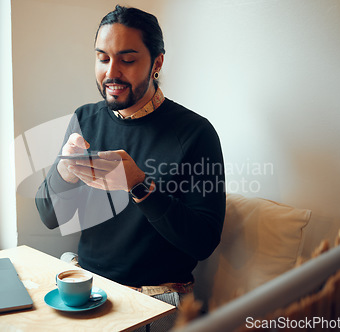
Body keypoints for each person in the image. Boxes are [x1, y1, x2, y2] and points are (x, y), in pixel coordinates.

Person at [36, 5, 225, 328]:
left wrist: (139, 185)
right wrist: (62, 174)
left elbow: (203, 242)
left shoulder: (195, 133)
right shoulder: (86, 118)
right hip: (87, 290)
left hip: (158, 298)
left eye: (127, 59)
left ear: (157, 62)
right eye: (103, 58)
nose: (111, 73)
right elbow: (50, 217)